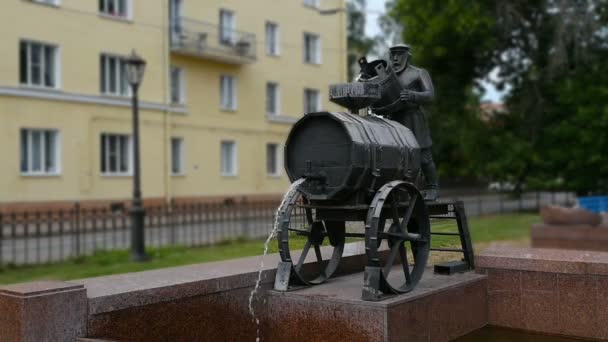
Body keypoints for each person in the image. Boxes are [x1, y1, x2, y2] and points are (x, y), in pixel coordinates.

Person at [388, 43, 439, 201]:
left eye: (399, 54)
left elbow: (430, 95)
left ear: (407, 56)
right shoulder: (388, 76)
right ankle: (401, 188)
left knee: (424, 157)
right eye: (393, 54)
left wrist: (413, 95)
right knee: (396, 157)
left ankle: (432, 186)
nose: (396, 58)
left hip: (413, 119)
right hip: (394, 119)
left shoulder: (418, 73)